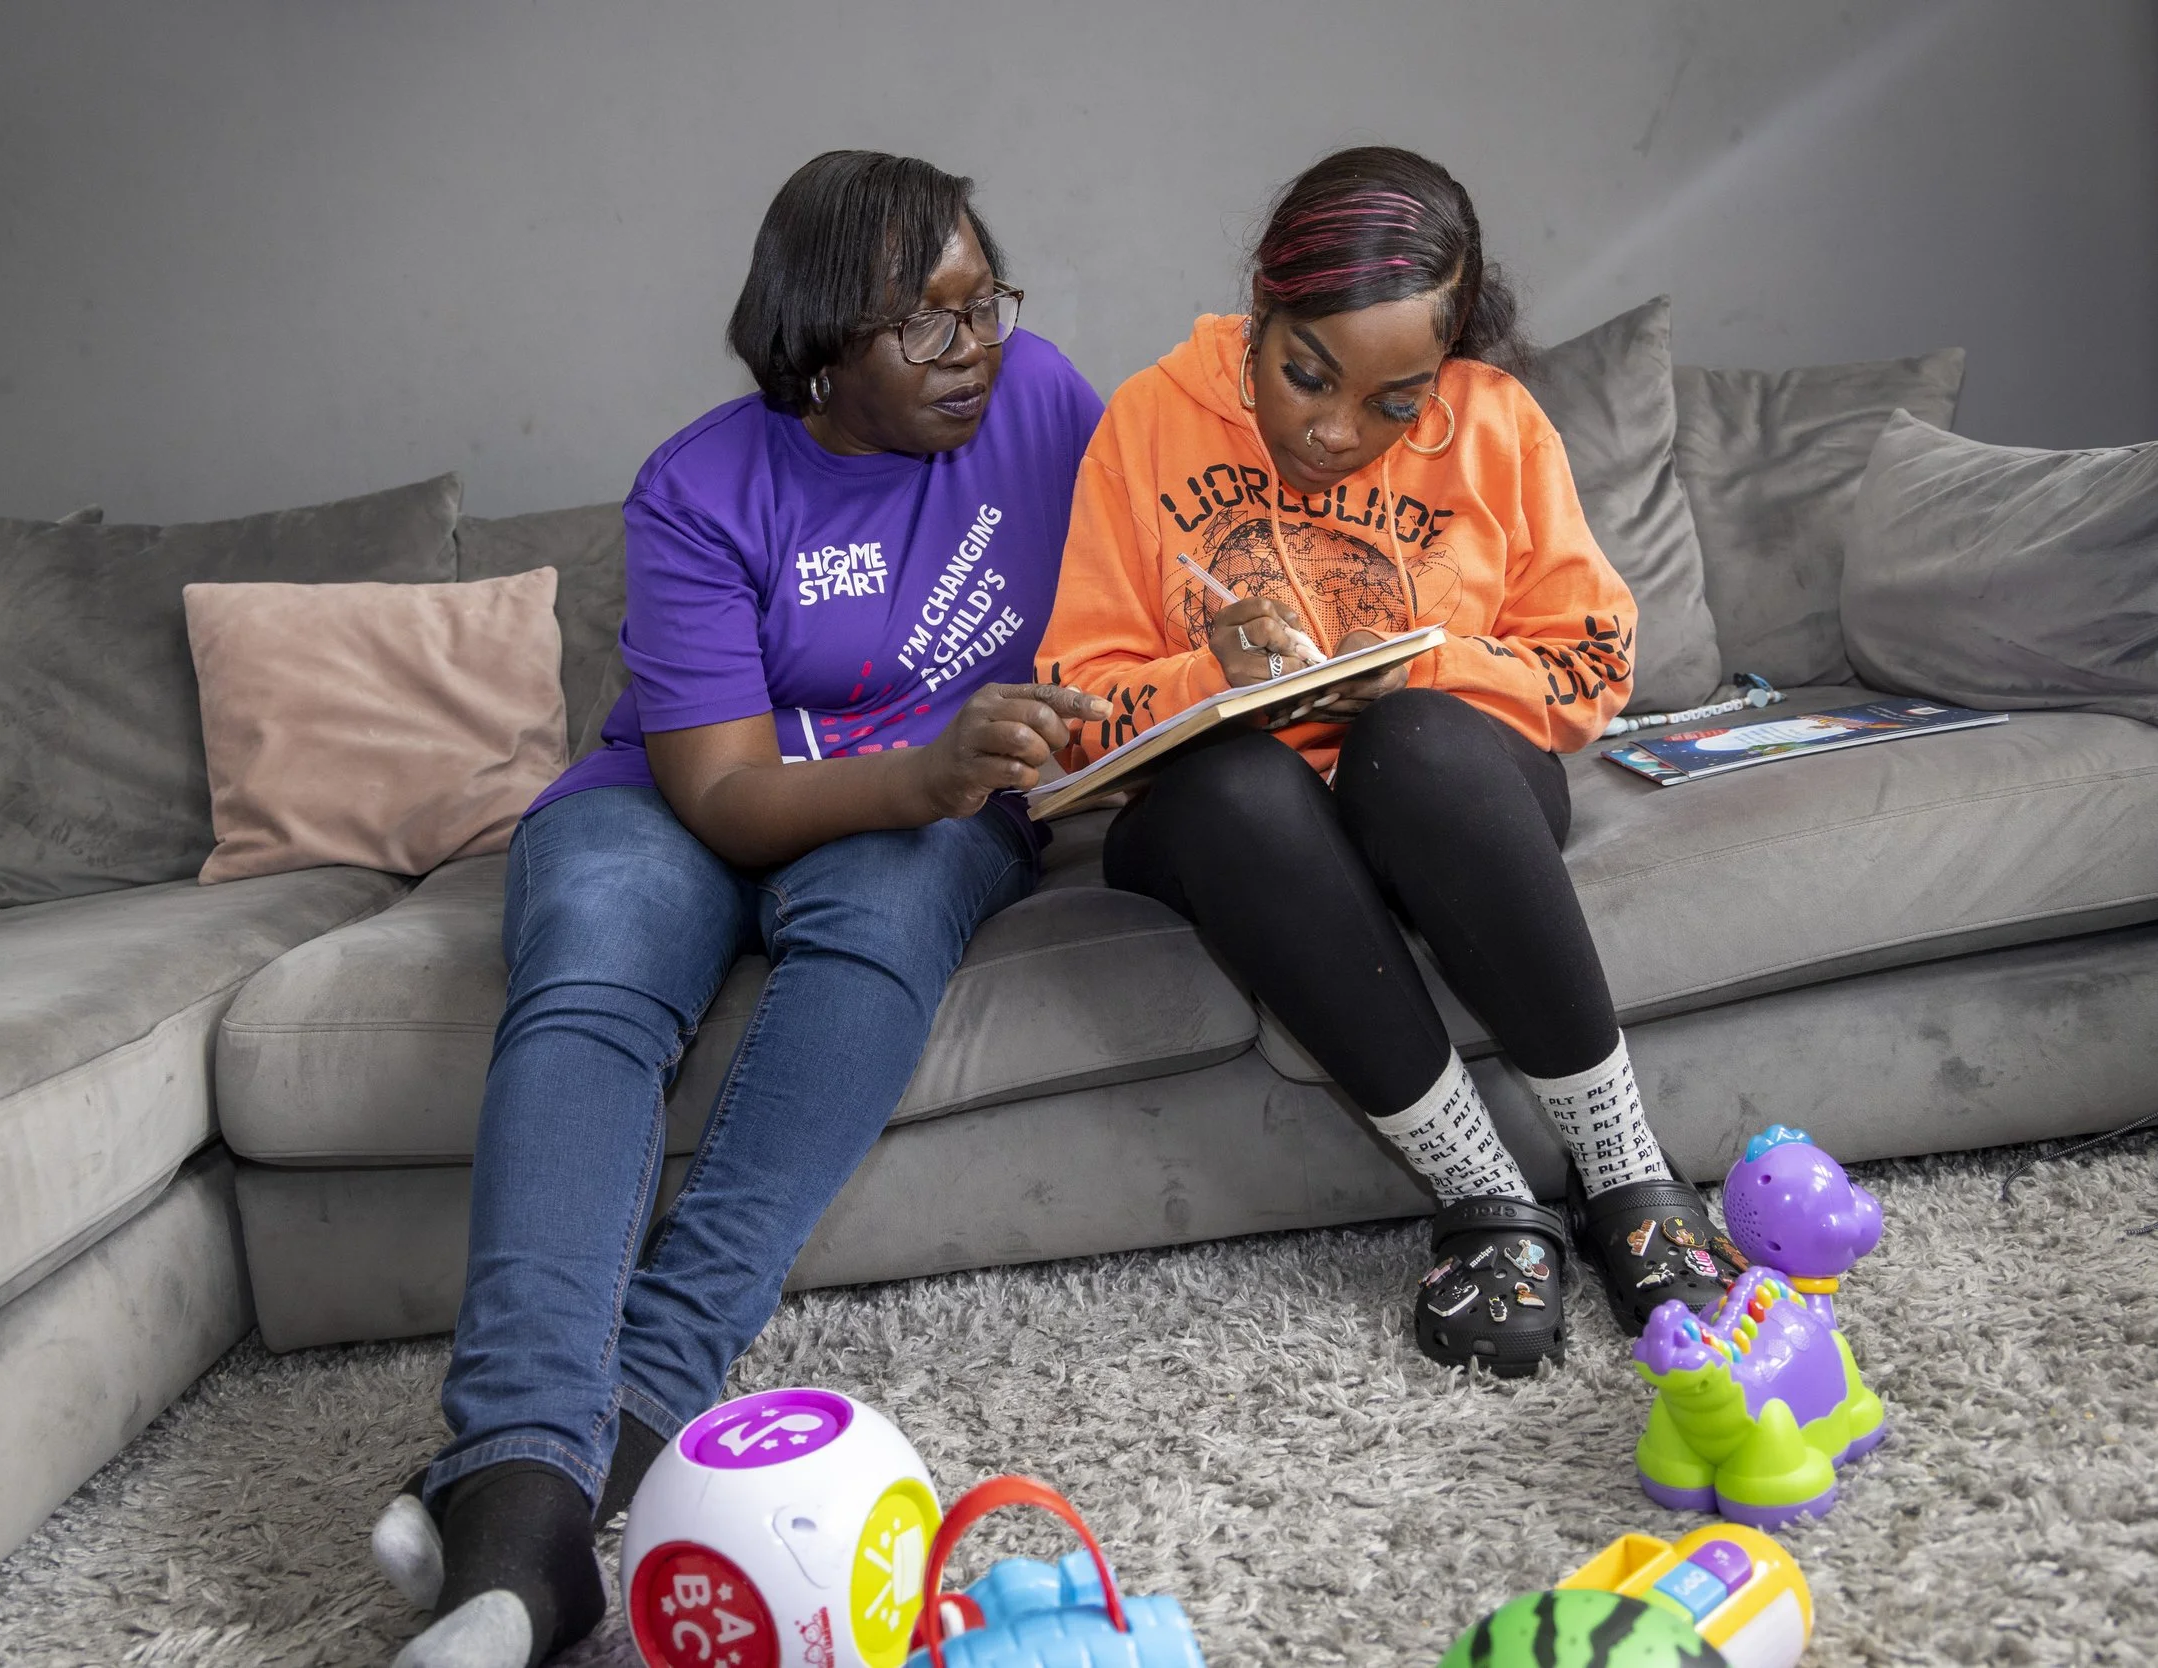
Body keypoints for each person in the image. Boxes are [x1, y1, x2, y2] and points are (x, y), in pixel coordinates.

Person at [386, 152, 1108, 1668]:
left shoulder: (1045, 401)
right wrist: (919, 773)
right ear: (818, 346)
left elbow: (1137, 599)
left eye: (985, 305)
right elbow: (715, 792)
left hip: (926, 810)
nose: (974, 347)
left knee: (890, 906)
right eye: (925, 323)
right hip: (678, 797)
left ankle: (593, 1451)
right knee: (593, 971)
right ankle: (518, 1497)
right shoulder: (702, 485)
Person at [1036, 146, 1738, 1379]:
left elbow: (1587, 668)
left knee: (1408, 745)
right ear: (1261, 307)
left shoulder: (1499, 425)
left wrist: (1422, 665)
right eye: (1306, 373)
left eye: (1393, 404)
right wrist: (1214, 677)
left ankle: (1626, 1173)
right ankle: (1487, 1202)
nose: (1332, 428)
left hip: (1443, 786)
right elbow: (1080, 705)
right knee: (1237, 788)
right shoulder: (1147, 420)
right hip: (1228, 821)